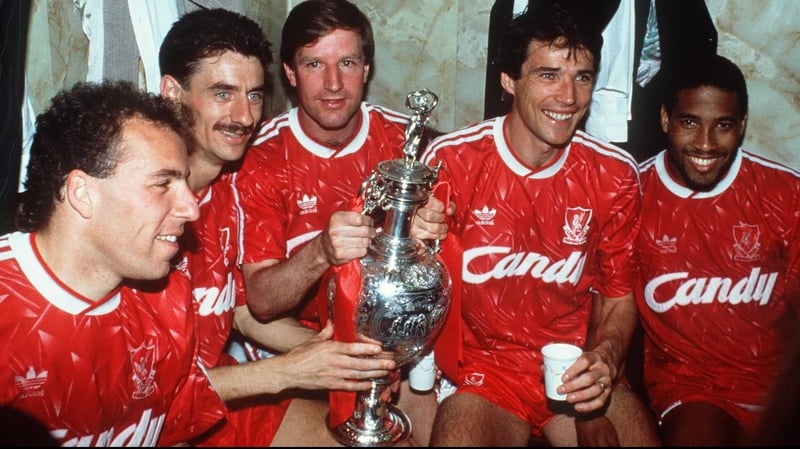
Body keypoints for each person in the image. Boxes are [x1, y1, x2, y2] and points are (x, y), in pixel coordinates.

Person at [419, 2, 660, 446]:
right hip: (483, 372)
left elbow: (618, 296)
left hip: (573, 365)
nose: (568, 97)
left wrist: (604, 359)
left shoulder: (614, 175)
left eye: (582, 77)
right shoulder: (453, 160)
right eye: (549, 75)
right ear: (509, 80)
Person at [156, 8, 397, 446]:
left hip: (219, 393)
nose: (244, 116)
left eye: (253, 95)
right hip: (155, 417)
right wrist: (288, 371)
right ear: (173, 92)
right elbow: (146, 395)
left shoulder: (231, 188)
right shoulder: (139, 202)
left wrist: (335, 351)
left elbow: (244, 315)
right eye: (223, 93)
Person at [233, 0, 449, 445]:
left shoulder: (409, 145)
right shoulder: (261, 159)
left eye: (347, 62)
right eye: (314, 64)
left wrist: (436, 231)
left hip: (396, 352)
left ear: (366, 69)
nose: (333, 84)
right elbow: (261, 302)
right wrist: (320, 253)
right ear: (290, 74)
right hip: (297, 353)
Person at [0, 80, 225, 446]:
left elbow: (172, 436)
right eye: (162, 183)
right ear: (83, 194)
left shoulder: (169, 296)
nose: (191, 207)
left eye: (184, 182)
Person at [634, 53, 800, 445]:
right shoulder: (632, 196)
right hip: (694, 390)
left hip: (781, 387)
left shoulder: (785, 193)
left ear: (742, 126)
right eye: (689, 122)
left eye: (723, 125)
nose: (705, 144)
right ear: (665, 120)